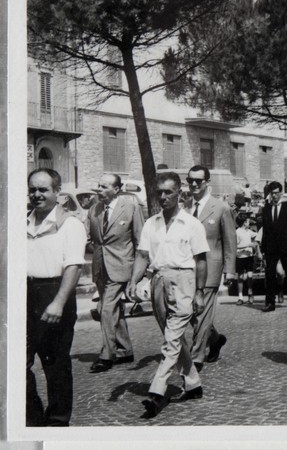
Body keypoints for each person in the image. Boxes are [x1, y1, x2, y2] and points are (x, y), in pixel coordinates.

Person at [128, 171, 209, 419]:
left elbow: (201, 260)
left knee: (172, 339)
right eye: (159, 192)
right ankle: (193, 383)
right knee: (170, 335)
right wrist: (134, 281)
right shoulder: (151, 223)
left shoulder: (192, 224)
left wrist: (199, 292)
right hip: (159, 280)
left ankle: (156, 392)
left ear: (179, 193)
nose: (163, 197)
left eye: (168, 192)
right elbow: (142, 255)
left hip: (184, 280)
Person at [27, 168, 87, 426]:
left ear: (57, 193)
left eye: (43, 189)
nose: (37, 195)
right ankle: (33, 420)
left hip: (53, 294)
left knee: (55, 365)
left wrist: (59, 302)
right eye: (33, 189)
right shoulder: (23, 222)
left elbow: (74, 266)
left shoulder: (69, 224)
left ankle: (57, 423)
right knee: (17, 363)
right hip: (25, 294)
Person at [87, 173, 144, 373]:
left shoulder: (131, 208)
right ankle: (126, 350)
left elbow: (140, 242)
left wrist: (139, 274)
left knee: (106, 307)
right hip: (100, 267)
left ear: (116, 189)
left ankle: (107, 354)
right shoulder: (94, 209)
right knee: (114, 309)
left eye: (104, 187)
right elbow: (91, 239)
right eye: (98, 186)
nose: (99, 190)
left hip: (122, 266)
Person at [186, 165, 236, 369]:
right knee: (190, 312)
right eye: (191, 180)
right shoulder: (185, 206)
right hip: (188, 267)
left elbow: (230, 240)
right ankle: (214, 339)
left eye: (199, 180)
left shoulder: (221, 208)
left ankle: (196, 356)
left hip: (211, 267)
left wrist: (230, 269)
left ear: (207, 182)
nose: (194, 184)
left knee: (201, 312)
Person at [261, 181, 287, 312]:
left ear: (281, 192)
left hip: (286, 247)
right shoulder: (266, 208)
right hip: (271, 247)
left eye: (276, 193)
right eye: (272, 193)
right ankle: (270, 302)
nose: (274, 196)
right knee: (269, 275)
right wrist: (263, 249)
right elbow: (265, 230)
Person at [235, 215, 260, 305]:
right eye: (248, 221)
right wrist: (248, 245)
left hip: (249, 257)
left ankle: (250, 293)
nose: (249, 223)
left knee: (250, 276)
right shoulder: (237, 232)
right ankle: (240, 297)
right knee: (240, 277)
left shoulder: (249, 231)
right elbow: (235, 245)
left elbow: (258, 235)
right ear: (244, 223)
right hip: (240, 257)